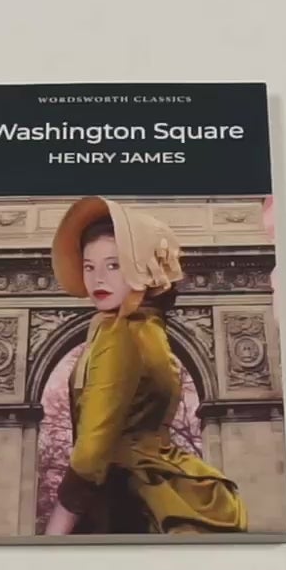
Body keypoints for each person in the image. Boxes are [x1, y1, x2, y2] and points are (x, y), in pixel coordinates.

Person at [43, 196, 248, 536]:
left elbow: (91, 452)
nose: (97, 279)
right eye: (89, 266)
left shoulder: (119, 334)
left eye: (114, 265)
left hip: (123, 501)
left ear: (142, 268)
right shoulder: (150, 329)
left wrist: (55, 532)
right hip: (163, 492)